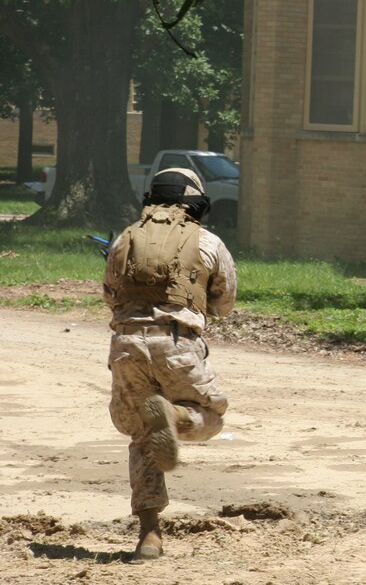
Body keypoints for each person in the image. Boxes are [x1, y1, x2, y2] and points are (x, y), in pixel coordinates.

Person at [102, 167, 237, 560]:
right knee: (211, 417)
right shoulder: (208, 241)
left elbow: (111, 296)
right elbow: (224, 303)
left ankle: (149, 536)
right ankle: (177, 418)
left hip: (126, 344)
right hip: (176, 343)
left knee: (143, 435)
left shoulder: (126, 237)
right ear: (195, 201)